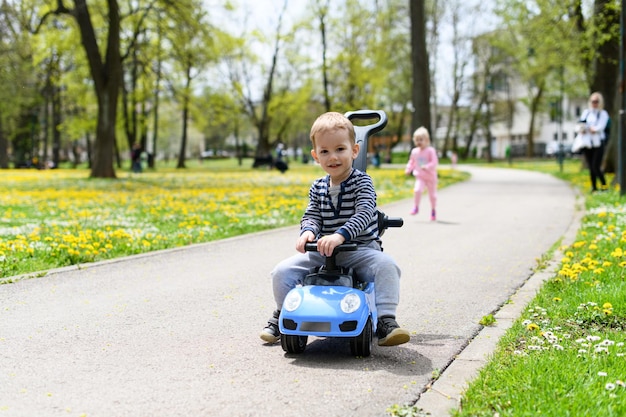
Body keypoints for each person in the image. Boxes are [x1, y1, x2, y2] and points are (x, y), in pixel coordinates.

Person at [259, 112, 410, 347]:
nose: (333, 157)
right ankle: (281, 315)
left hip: (358, 249)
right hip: (323, 250)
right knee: (281, 271)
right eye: (325, 151)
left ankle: (386, 320)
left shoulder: (362, 182)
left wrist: (340, 235)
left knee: (387, 266)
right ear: (316, 156)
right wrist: (308, 232)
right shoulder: (317, 187)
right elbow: (312, 215)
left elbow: (364, 213)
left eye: (340, 149)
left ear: (354, 151)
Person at [578, 92, 609, 192]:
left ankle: (604, 186)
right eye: (592, 101)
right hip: (587, 143)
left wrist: (593, 129)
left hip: (598, 143)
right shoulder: (586, 112)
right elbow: (580, 124)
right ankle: (594, 188)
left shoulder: (603, 113)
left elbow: (601, 127)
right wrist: (582, 129)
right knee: (591, 166)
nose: (594, 103)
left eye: (596, 101)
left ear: (600, 102)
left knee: (596, 166)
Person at [405, 127, 438, 220]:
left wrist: (427, 166)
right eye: (417, 140)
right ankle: (416, 206)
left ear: (427, 140)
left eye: (421, 140)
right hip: (420, 176)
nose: (419, 142)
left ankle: (433, 210)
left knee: (432, 195)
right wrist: (408, 169)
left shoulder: (430, 151)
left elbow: (434, 162)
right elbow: (412, 162)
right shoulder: (415, 152)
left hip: (430, 177)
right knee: (417, 190)